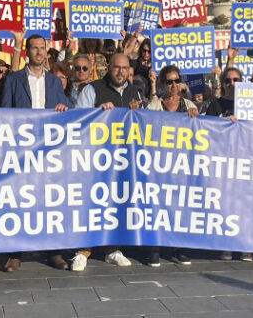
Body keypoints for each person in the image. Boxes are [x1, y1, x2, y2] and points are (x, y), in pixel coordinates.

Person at [0, 34, 69, 271]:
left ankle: (54, 252)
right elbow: (5, 113)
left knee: (50, 200)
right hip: (22, 150)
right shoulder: (14, 79)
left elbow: (65, 111)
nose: (39, 52)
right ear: (27, 51)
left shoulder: (54, 82)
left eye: (42, 48)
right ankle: (15, 253)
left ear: (47, 51)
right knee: (20, 200)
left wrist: (63, 108)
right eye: (35, 48)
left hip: (49, 152)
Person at [74, 52, 141, 271]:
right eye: (116, 67)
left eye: (124, 68)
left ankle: (112, 249)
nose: (120, 72)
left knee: (117, 203)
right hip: (95, 158)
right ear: (108, 68)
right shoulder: (92, 89)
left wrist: (138, 113)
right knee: (91, 204)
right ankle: (83, 250)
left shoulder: (135, 91)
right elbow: (78, 121)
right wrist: (97, 113)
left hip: (122, 159)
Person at [143, 65, 197, 267]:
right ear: (162, 84)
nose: (173, 85)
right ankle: (154, 248)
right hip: (159, 164)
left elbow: (200, 132)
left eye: (176, 81)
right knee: (158, 206)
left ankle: (179, 248)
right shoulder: (154, 106)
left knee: (180, 206)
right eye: (169, 81)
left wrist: (195, 116)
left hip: (182, 165)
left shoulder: (189, 104)